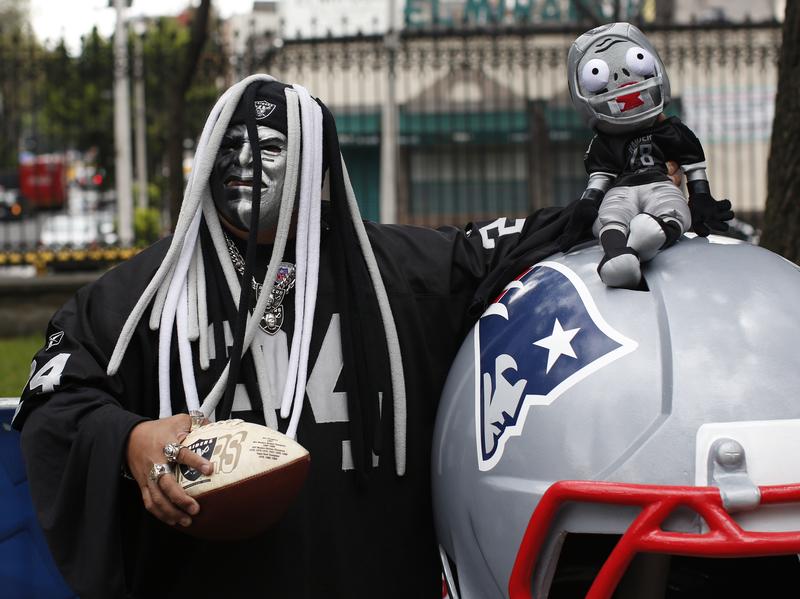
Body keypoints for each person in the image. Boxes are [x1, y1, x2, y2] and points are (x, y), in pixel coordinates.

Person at [11, 75, 717, 599]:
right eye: (231, 143)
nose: (245, 160)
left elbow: (516, 246)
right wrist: (132, 442)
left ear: (318, 163)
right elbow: (55, 399)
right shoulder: (138, 297)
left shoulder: (404, 275)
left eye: (271, 145)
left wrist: (608, 202)